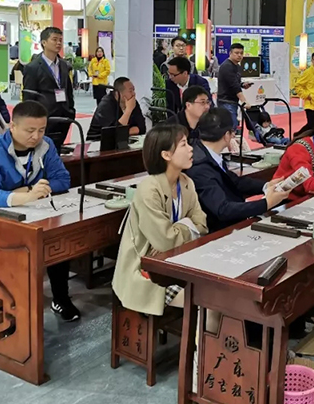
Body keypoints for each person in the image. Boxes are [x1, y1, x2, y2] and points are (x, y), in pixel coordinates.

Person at [0, 101, 79, 321]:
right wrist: (28, 195)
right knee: (18, 252)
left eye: (41, 130)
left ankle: (60, 298)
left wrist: (28, 192)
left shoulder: (46, 145)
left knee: (57, 239)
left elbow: (62, 179)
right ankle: (8, 308)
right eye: (30, 130)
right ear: (13, 126)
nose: (36, 136)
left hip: (30, 214)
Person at [112, 124, 208, 317]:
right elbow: (166, 242)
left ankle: (201, 337)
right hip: (146, 273)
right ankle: (198, 338)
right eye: (183, 144)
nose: (191, 149)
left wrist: (178, 228)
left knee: (218, 296)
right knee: (209, 302)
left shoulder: (186, 182)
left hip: (177, 262)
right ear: (166, 155)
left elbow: (202, 225)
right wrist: (187, 225)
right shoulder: (149, 189)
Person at [186, 108, 290, 233]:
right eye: (233, 132)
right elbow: (223, 210)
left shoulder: (205, 152)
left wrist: (266, 186)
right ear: (227, 135)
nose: (234, 136)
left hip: (229, 222)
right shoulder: (200, 167)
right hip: (218, 231)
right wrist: (266, 203)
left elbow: (234, 181)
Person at [22, 27, 75, 146]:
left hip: (64, 115)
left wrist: (71, 110)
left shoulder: (64, 65)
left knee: (57, 149)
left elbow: (69, 90)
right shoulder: (33, 67)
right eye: (54, 39)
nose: (58, 43)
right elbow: (29, 97)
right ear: (44, 42)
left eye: (60, 40)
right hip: (44, 117)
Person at [87, 76, 146, 142]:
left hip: (123, 141)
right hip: (97, 142)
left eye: (133, 90)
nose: (133, 93)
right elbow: (114, 133)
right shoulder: (106, 105)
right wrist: (128, 111)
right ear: (118, 94)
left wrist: (124, 132)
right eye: (130, 91)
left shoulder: (132, 102)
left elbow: (142, 128)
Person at [217, 43, 252, 128]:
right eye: (236, 53)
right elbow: (234, 86)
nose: (239, 55)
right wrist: (244, 101)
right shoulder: (227, 66)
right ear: (230, 53)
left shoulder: (237, 67)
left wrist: (242, 85)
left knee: (233, 126)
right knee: (230, 127)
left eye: (241, 53)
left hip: (233, 101)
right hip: (225, 101)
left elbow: (234, 83)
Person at [295, 51, 314, 135]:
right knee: (312, 126)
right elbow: (298, 86)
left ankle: (298, 136)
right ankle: (298, 136)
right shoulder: (308, 72)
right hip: (311, 104)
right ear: (312, 61)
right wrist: (307, 95)